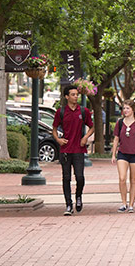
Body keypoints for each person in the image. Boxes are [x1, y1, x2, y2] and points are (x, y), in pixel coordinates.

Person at [52, 85, 94, 216]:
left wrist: (85, 137)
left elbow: (92, 127)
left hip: (79, 149)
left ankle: (79, 197)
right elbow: (54, 129)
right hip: (65, 149)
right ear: (66, 97)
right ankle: (68, 205)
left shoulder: (83, 111)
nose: (76, 96)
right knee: (66, 178)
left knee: (80, 177)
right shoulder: (61, 112)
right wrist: (58, 140)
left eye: (77, 94)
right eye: (73, 94)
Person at [111, 100, 135, 213]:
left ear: (133, 109)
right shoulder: (120, 123)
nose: (125, 110)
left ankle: (131, 204)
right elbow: (116, 139)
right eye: (124, 108)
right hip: (123, 154)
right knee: (122, 178)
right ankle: (123, 203)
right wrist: (113, 154)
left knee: (133, 180)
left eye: (128, 108)